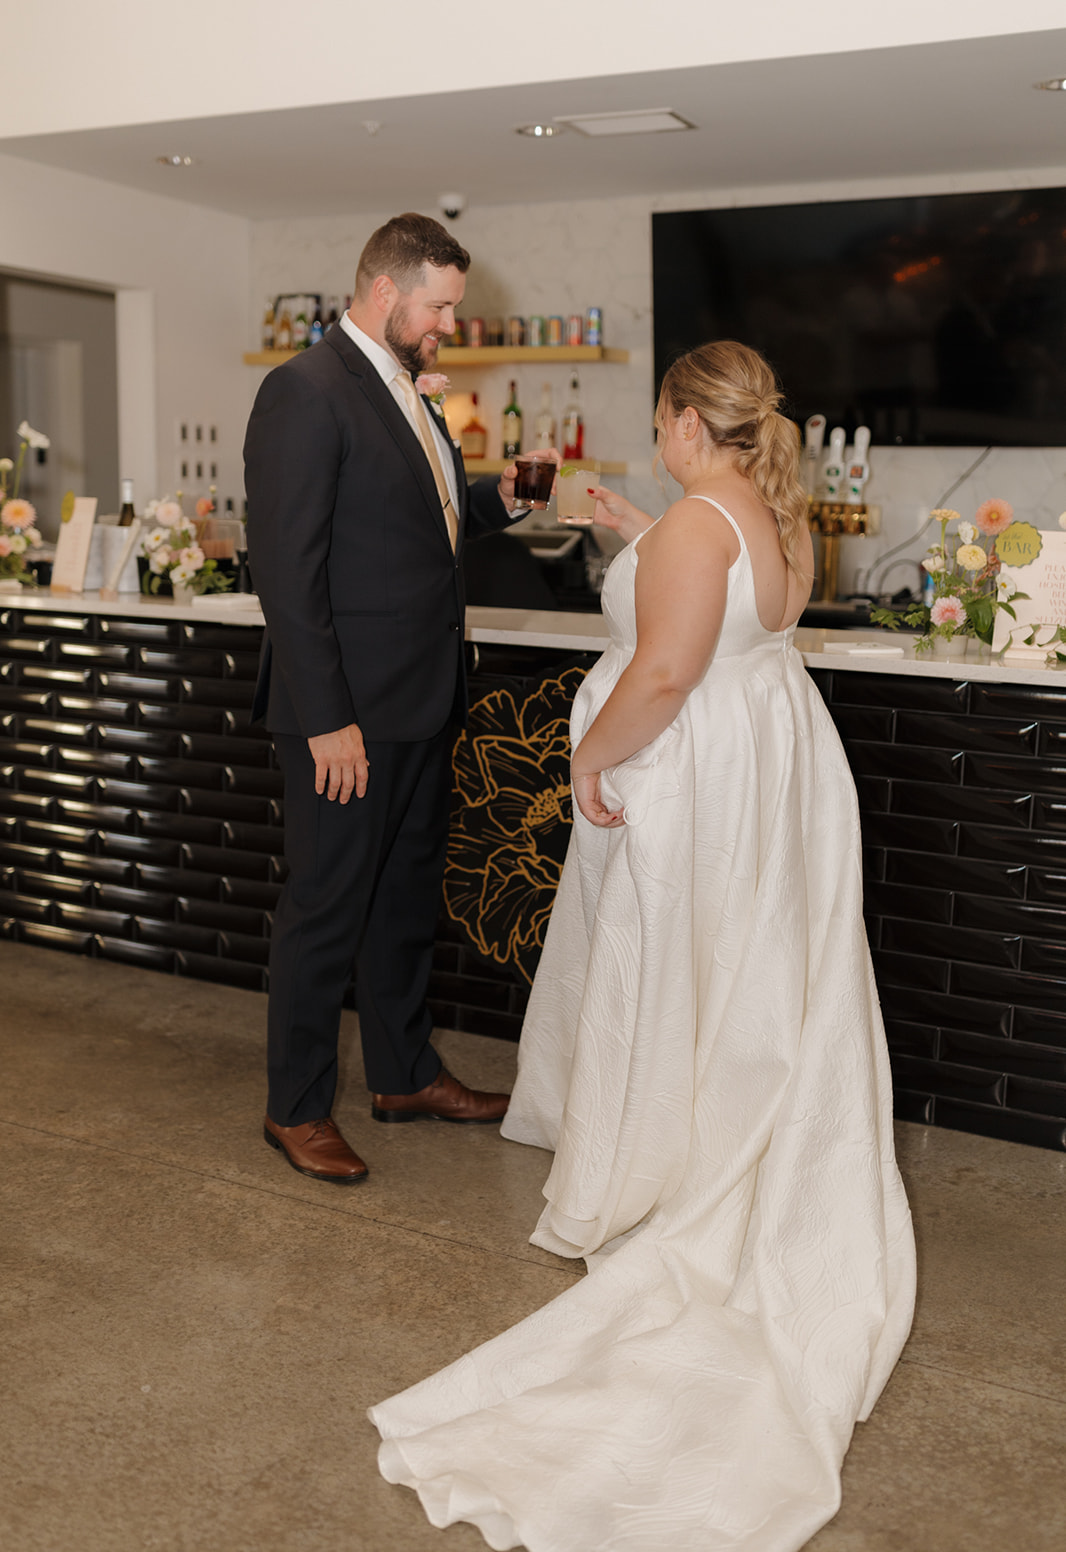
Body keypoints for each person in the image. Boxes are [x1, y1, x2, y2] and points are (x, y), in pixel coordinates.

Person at [370, 341, 916, 1550]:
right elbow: (720, 623)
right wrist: (633, 530)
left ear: (680, 423)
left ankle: (661, 1155)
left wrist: (587, 757)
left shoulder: (692, 532)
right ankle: (718, 1119)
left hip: (689, 775)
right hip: (770, 765)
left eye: (657, 419)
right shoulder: (773, 515)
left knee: (670, 968)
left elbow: (667, 668)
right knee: (743, 969)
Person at [245, 213, 531, 1185]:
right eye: (441, 305)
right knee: (326, 909)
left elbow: (417, 519)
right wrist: (329, 719)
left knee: (404, 903)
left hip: (417, 701)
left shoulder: (401, 389)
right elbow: (289, 572)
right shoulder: (305, 392)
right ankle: (294, 1107)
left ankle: (405, 1074)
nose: (452, 322)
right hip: (344, 716)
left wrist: (498, 503)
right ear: (384, 291)